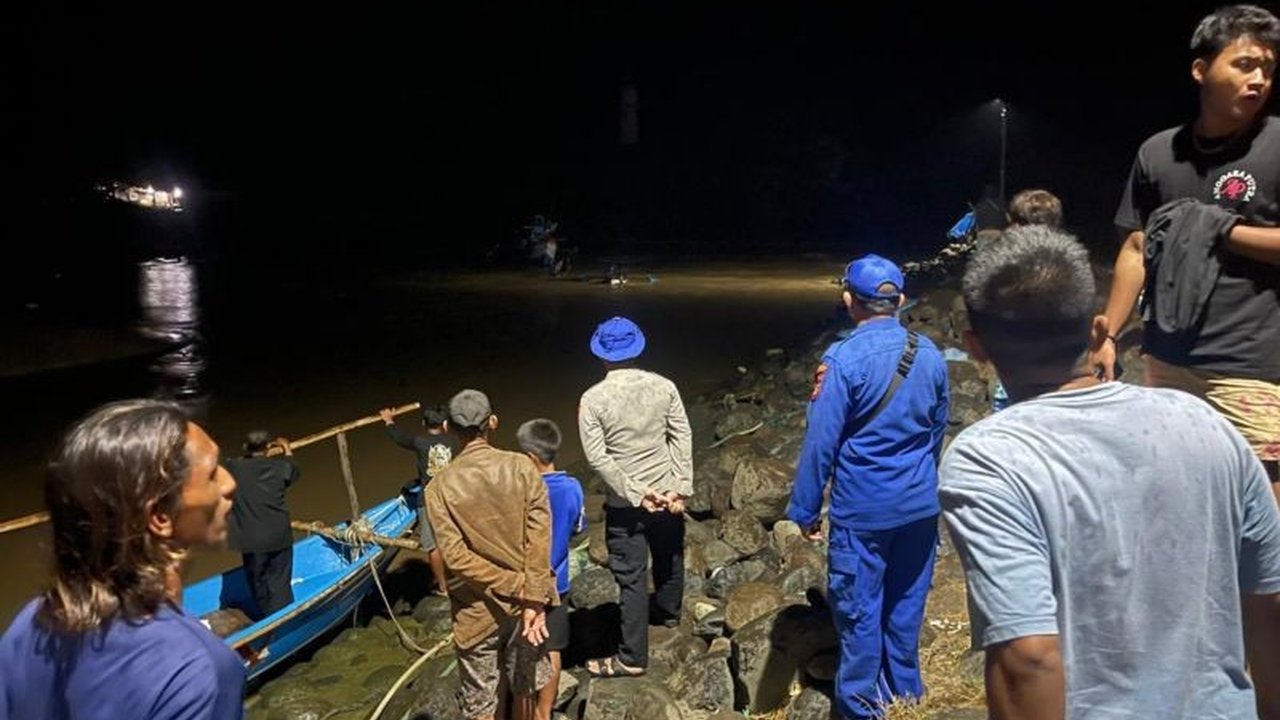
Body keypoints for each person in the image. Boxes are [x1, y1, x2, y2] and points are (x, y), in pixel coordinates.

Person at [941, 224, 1280, 718]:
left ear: (976, 348)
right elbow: (1270, 600)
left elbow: (1028, 658)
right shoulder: (1203, 421)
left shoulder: (989, 458)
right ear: (1099, 329)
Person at [1095, 5, 1280, 501]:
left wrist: (1217, 229)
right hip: (1167, 358)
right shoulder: (1158, 153)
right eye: (1244, 64)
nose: (1259, 78)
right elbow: (1137, 245)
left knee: (1263, 522)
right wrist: (1108, 333)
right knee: (1182, 499)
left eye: (1268, 67)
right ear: (1202, 70)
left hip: (1253, 368)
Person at [0, 399, 244, 719]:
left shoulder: (32, 622)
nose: (230, 483)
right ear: (159, 515)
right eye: (212, 473)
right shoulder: (198, 672)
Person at [786, 254, 949, 719]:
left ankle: (861, 708)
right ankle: (907, 698)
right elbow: (936, 431)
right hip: (919, 508)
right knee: (905, 609)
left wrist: (805, 510)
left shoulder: (841, 361)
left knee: (859, 617)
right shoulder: (930, 353)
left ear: (848, 302)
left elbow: (820, 444)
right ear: (898, 300)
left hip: (864, 512)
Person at [425, 389, 557, 720]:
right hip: (524, 608)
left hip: (476, 611)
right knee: (524, 690)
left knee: (481, 703)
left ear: (447, 429)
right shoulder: (523, 468)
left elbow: (454, 558)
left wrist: (517, 587)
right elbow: (540, 538)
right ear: (493, 422)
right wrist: (533, 595)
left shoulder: (438, 488)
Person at [578, 316, 692, 678]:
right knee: (669, 557)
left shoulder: (593, 399)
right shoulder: (664, 386)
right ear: (639, 347)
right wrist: (680, 486)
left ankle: (631, 658)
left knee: (631, 579)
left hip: (627, 505)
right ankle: (669, 614)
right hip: (667, 494)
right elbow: (682, 436)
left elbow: (598, 457)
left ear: (602, 355)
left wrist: (636, 492)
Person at [514, 419, 585, 720]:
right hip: (559, 582)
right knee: (552, 647)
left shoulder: (523, 490)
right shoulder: (572, 487)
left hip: (526, 582)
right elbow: (578, 529)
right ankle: (545, 711)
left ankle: (524, 712)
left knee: (524, 650)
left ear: (530, 457)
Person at [223, 430, 301, 619]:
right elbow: (295, 471)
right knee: (280, 581)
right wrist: (287, 449)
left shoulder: (233, 469)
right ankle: (285, 616)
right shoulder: (279, 468)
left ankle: (269, 618)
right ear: (269, 447)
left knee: (258, 583)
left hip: (252, 540)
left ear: (245, 449)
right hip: (279, 535)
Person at [380, 404, 457, 596]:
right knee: (457, 540)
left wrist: (389, 420)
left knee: (432, 546)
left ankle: (443, 587)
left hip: (429, 499)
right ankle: (463, 578)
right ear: (445, 424)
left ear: (424, 423)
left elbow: (399, 438)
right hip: (452, 498)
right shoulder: (455, 442)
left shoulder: (419, 441)